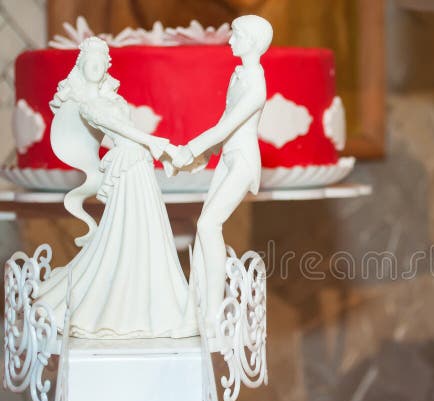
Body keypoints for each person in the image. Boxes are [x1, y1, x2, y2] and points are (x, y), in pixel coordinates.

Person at [37, 36, 196, 339]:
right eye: (90, 63)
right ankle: (121, 302)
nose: (96, 68)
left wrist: (156, 148)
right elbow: (124, 130)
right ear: (81, 67)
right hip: (128, 161)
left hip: (138, 161)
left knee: (148, 227)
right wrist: (157, 143)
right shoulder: (90, 106)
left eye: (100, 63)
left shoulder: (112, 98)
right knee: (131, 227)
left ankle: (155, 299)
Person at [171, 15, 272, 333]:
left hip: (242, 162)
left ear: (253, 42)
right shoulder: (238, 75)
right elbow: (226, 122)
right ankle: (194, 310)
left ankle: (213, 313)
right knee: (204, 231)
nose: (230, 40)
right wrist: (204, 155)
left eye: (236, 35)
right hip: (227, 158)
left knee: (207, 224)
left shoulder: (256, 83)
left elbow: (229, 126)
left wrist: (189, 147)